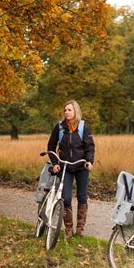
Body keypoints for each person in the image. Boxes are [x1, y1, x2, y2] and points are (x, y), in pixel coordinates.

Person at [47, 100, 95, 238]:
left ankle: (80, 229)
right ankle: (68, 229)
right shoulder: (59, 128)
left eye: (69, 110)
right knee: (66, 198)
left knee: (82, 197)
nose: (67, 112)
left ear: (75, 111)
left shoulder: (83, 127)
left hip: (81, 166)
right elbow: (51, 147)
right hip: (65, 167)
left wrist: (89, 161)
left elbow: (89, 147)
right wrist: (55, 163)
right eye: (65, 110)